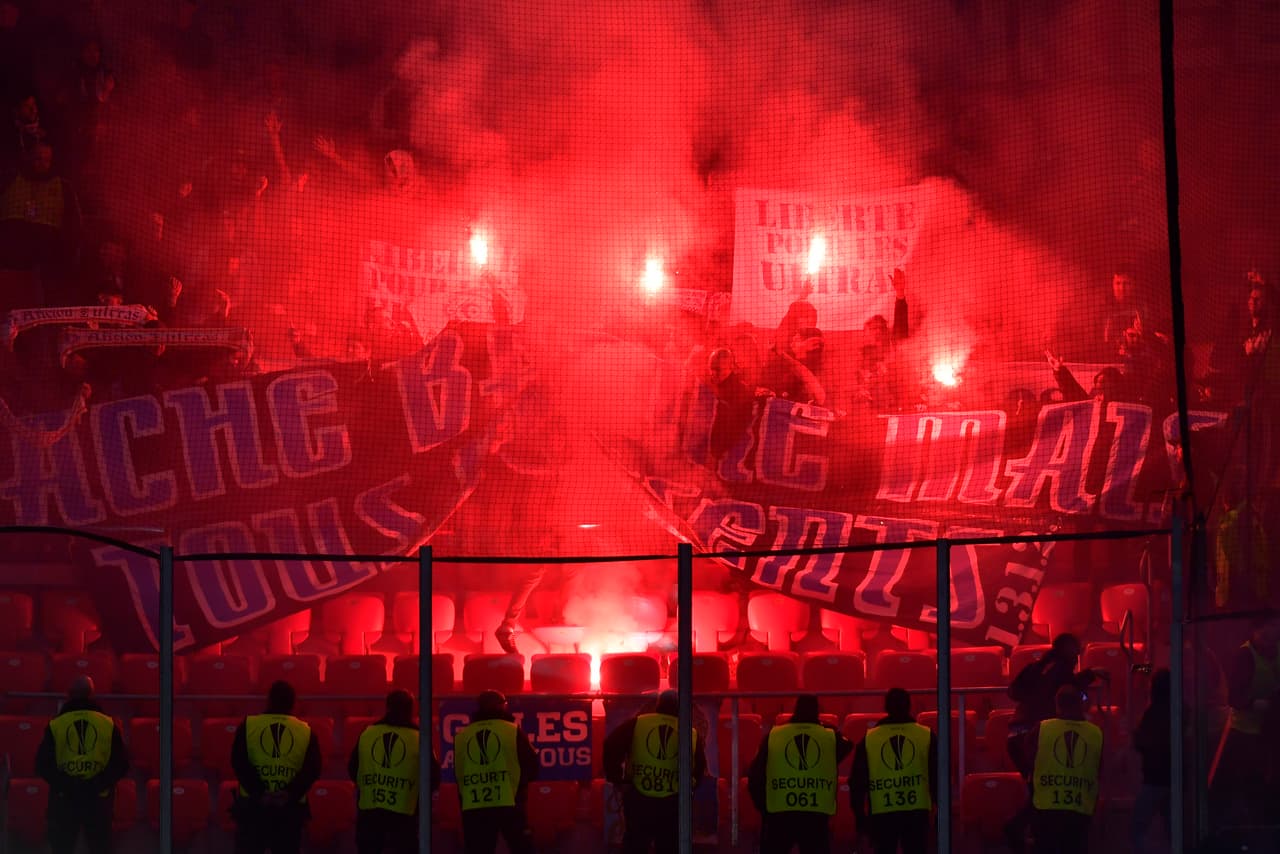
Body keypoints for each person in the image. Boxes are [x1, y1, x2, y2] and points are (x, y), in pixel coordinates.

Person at [1004, 634, 1104, 852]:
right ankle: (1022, 832)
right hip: (1033, 736)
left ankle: (1029, 834)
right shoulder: (1060, 671)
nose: (1079, 653)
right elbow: (1067, 689)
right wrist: (1091, 674)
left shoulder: (1037, 667)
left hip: (1017, 735)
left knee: (1039, 789)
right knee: (1042, 792)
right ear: (1067, 650)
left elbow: (1014, 691)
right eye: (1076, 648)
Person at [603, 689, 709, 854]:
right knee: (669, 847)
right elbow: (699, 769)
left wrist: (617, 779)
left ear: (657, 706)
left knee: (635, 846)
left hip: (639, 798)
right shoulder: (690, 732)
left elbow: (611, 746)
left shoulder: (637, 723)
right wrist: (688, 789)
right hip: (673, 802)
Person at [34, 675, 130, 854]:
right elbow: (122, 764)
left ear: (69, 695)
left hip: (65, 800)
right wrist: (96, 783)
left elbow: (42, 764)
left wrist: (67, 784)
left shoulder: (56, 725)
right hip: (98, 800)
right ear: (93, 695)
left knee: (62, 848)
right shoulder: (107, 724)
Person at [747, 694, 853, 854]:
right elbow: (847, 745)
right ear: (818, 712)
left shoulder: (774, 735)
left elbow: (755, 776)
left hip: (779, 814)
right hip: (815, 814)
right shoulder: (829, 737)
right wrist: (824, 725)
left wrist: (763, 806)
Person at [230, 680, 323, 854]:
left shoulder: (249, 726)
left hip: (253, 809)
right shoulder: (305, 731)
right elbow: (313, 769)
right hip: (289, 811)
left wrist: (260, 792)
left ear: (269, 700)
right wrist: (289, 794)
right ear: (293, 703)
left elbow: (239, 762)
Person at [349, 690, 441, 854]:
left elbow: (353, 769)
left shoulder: (368, 733)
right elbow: (433, 778)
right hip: (405, 814)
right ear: (411, 709)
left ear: (388, 707)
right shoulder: (419, 738)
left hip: (370, 812)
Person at [1209, 615, 1280, 826]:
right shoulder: (1244, 656)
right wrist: (1257, 704)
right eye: (1269, 628)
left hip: (1272, 731)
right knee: (1249, 784)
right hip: (1246, 733)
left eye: (1276, 627)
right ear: (1256, 631)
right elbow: (1235, 698)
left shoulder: (1276, 651)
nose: (1273, 633)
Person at [849, 687, 937, 854]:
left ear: (886, 707)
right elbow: (938, 777)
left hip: (882, 813)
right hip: (916, 813)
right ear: (909, 706)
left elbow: (857, 782)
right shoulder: (925, 735)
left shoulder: (870, 738)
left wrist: (860, 815)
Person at [453, 689, 540, 854]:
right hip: (510, 803)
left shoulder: (462, 735)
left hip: (475, 804)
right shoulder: (512, 731)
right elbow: (532, 766)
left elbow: (458, 773)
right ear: (502, 706)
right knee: (522, 848)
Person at [1028, 686, 1103, 854]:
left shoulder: (1041, 728)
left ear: (1057, 705)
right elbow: (1102, 770)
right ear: (1081, 705)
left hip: (1046, 808)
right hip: (1080, 809)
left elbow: (1028, 759)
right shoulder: (1096, 733)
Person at [1131, 669, 1170, 854]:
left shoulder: (1153, 712)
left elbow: (1143, 743)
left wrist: (1135, 735)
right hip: (1175, 778)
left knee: (1137, 827)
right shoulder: (1182, 708)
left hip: (1155, 779)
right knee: (1173, 827)